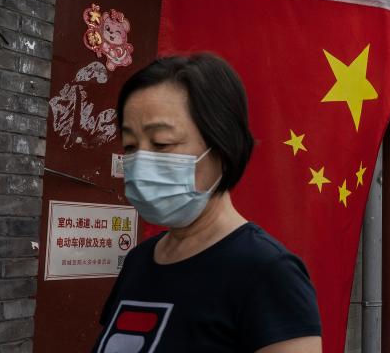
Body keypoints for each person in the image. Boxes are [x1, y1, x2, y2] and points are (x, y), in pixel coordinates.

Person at [93, 55, 322, 353]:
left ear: (222, 147)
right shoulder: (139, 261)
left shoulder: (268, 272)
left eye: (162, 143)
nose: (141, 161)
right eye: (130, 146)